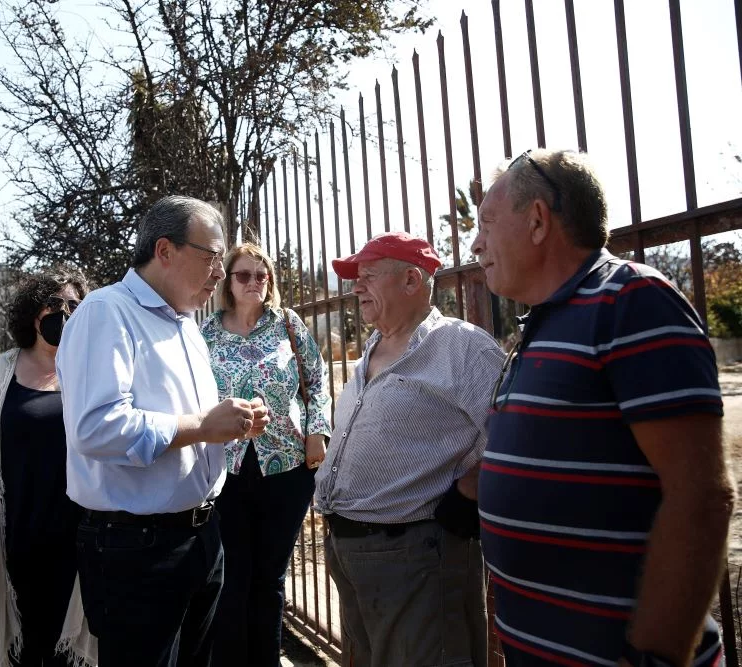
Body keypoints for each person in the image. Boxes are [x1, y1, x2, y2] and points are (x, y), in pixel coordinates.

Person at [473, 149, 734, 666]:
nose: (476, 243)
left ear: (538, 220)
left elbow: (701, 496)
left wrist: (657, 657)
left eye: (486, 223)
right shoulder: (542, 326)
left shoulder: (630, 300)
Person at [57, 195, 270, 667]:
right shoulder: (105, 312)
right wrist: (201, 426)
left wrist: (227, 424)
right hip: (136, 550)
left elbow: (184, 422)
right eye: (212, 255)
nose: (221, 271)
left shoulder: (187, 323)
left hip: (200, 535)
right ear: (165, 250)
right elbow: (97, 428)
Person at [314, 231, 504, 667]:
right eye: (355, 277)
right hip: (352, 554)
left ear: (412, 281)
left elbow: (517, 437)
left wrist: (471, 490)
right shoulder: (372, 348)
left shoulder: (463, 348)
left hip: (416, 555)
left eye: (368, 276)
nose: (356, 286)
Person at [0, 268, 97, 667]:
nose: (65, 314)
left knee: (70, 647)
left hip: (81, 541)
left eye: (75, 307)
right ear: (33, 313)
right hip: (14, 541)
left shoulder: (92, 373)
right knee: (23, 649)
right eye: (56, 305)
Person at [199, 242, 331, 667]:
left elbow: (317, 377)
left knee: (270, 576)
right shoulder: (207, 333)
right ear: (228, 282)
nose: (254, 282)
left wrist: (318, 431)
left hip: (287, 468)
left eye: (262, 275)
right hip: (226, 469)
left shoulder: (288, 325)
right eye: (244, 275)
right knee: (233, 574)